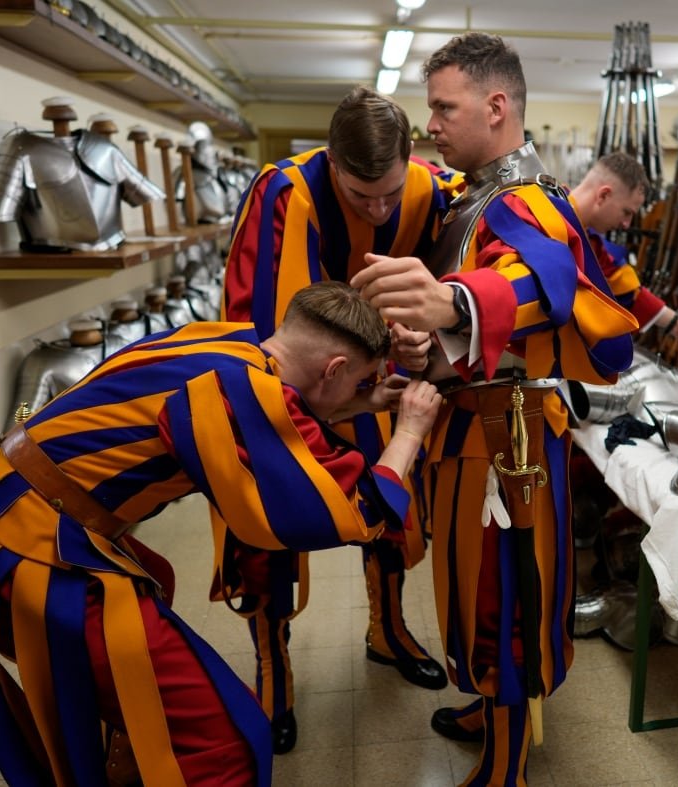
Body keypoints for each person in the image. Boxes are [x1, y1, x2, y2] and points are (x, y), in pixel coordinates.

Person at [0, 282, 442, 786]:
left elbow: (278, 416)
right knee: (227, 739)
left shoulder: (221, 343)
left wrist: (361, 402)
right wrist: (409, 432)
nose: (361, 388)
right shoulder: (237, 392)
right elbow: (348, 513)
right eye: (359, 379)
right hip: (36, 555)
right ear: (334, 368)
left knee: (153, 598)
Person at [351, 32, 639, 785]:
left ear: (497, 104)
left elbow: (544, 285)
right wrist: (423, 346)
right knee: (468, 584)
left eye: (444, 108)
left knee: (503, 591)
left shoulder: (526, 201)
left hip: (504, 444)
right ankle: (486, 703)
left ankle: (507, 763)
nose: (432, 124)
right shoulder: (472, 197)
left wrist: (451, 299)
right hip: (468, 430)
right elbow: (467, 330)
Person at [221, 85, 455, 754]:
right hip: (283, 382)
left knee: (387, 507)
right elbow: (279, 326)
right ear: (331, 162)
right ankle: (274, 666)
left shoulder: (432, 191)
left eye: (389, 193)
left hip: (374, 376)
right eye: (360, 198)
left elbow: (444, 295)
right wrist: (387, 348)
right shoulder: (284, 191)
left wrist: (420, 342)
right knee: (268, 522)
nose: (379, 209)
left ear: (412, 159)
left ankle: (387, 631)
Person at [567, 151, 678, 349]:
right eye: (626, 212)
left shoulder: (587, 238)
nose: (626, 224)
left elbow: (620, 283)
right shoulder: (543, 219)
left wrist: (675, 322)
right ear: (603, 195)